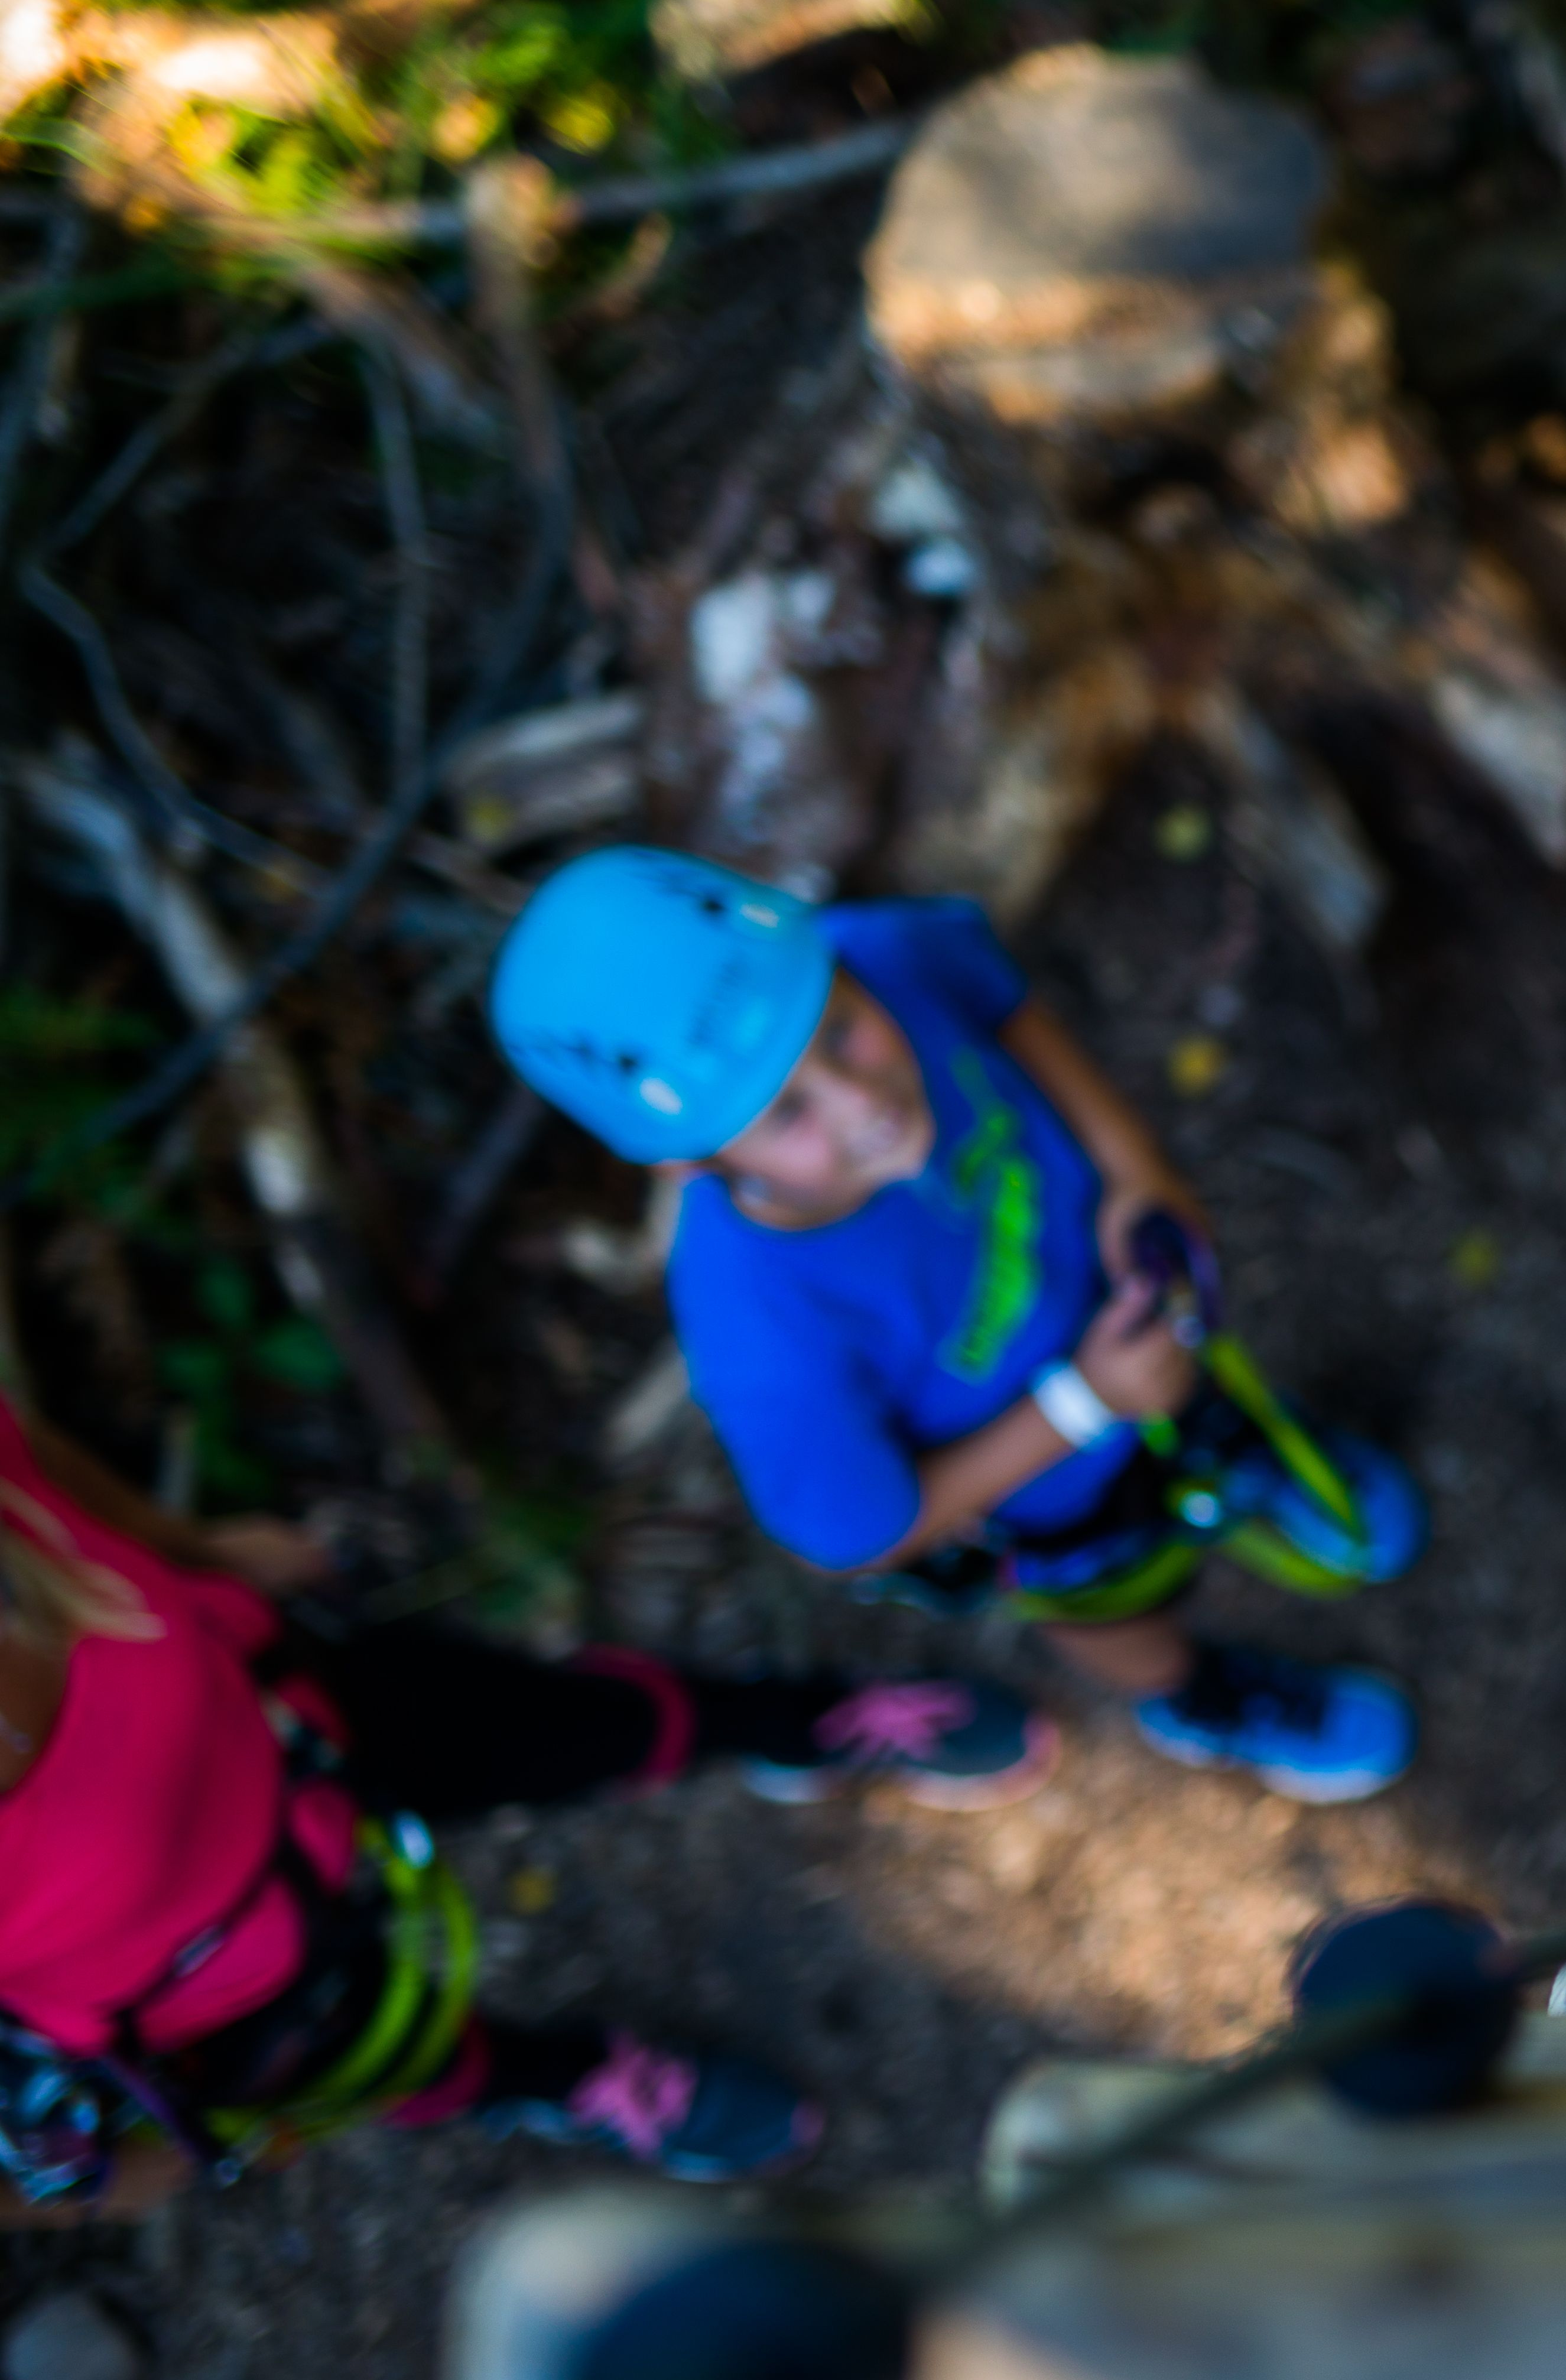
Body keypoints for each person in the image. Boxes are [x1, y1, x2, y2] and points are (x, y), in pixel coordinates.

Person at [489, 850, 1420, 1801]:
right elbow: (863, 1530)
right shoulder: (761, 1334)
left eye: (843, 1033)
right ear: (688, 1166)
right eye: (789, 1113)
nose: (865, 1104)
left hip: (1130, 1307)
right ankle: (1199, 1698)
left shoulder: (878, 951)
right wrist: (1087, 1403)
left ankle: (1262, 1470)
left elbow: (1005, 1008)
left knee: (1207, 1407)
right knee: (1109, 1605)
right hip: (1050, 1494)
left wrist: (1136, 1172)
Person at [0, 1390, 1057, 2215]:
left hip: (285, 1701)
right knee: (390, 2055)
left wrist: (188, 1548)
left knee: (566, 1723)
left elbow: (30, 1454)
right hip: (201, 1987)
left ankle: (795, 1726)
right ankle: (566, 2080)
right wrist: (61, 2180)